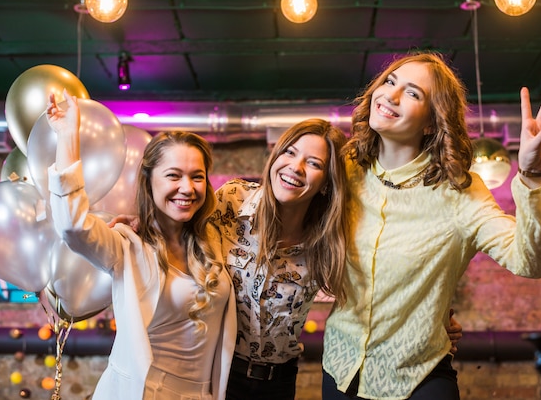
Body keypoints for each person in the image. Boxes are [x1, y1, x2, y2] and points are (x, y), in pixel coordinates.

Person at [112, 118, 462, 399]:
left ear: (327, 181)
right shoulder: (232, 200)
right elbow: (184, 218)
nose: (295, 167)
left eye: (313, 163)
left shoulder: (330, 238)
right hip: (218, 370)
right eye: (289, 152)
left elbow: (379, 279)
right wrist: (143, 221)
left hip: (278, 381)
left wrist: (431, 316)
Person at [321, 51, 541, 400]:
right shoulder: (345, 169)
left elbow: (530, 261)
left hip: (418, 378)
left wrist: (533, 175)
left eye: (413, 93)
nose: (391, 95)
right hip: (340, 370)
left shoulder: (459, 191)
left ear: (432, 122)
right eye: (390, 81)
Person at [45, 90, 236, 400]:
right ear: (149, 181)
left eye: (197, 177)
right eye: (173, 175)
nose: (187, 188)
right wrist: (68, 136)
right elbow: (72, 225)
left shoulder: (213, 239)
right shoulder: (126, 244)